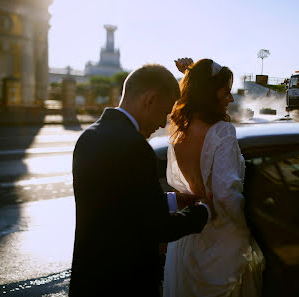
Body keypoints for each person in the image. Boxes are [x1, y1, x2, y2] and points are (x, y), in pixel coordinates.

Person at [69, 64, 212, 297]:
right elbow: (158, 228)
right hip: (126, 282)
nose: (162, 124)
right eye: (164, 112)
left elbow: (118, 204)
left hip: (90, 278)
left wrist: (174, 200)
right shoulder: (136, 147)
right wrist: (204, 211)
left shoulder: (89, 136)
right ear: (150, 100)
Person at [163, 58, 265, 297]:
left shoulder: (180, 132)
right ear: (211, 93)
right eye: (226, 92)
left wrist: (190, 71)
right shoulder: (222, 131)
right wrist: (250, 227)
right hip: (221, 240)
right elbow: (225, 194)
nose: (230, 98)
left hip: (188, 240)